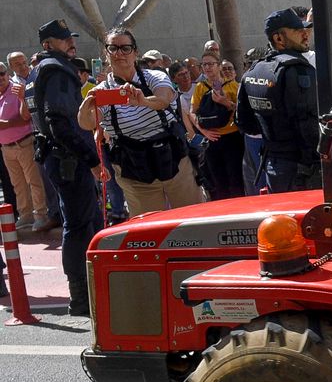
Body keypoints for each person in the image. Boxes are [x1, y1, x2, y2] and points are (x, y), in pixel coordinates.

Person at [76, 28, 201, 217]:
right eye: (113, 48)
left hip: (174, 162)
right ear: (106, 53)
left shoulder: (154, 77)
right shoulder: (102, 91)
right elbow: (87, 124)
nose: (119, 53)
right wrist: (85, 107)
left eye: (125, 48)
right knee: (149, 232)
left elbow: (163, 99)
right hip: (135, 171)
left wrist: (142, 101)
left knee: (193, 221)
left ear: (135, 52)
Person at [29, 19, 101, 316]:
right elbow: (60, 123)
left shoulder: (39, 71)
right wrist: (91, 159)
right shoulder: (57, 71)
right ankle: (82, 297)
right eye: (63, 39)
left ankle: (84, 293)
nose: (71, 43)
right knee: (79, 226)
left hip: (57, 157)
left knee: (79, 224)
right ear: (48, 44)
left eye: (70, 38)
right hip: (68, 158)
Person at [236, 9, 322, 192]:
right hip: (303, 172)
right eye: (298, 31)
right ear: (279, 38)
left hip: (273, 166)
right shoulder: (297, 69)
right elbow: (309, 127)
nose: (305, 34)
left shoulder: (254, 71)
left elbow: (245, 124)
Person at [0, 56, 51, 233]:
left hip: (24, 143)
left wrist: (5, 123)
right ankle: (26, 215)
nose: (0, 77)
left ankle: (40, 215)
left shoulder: (17, 90)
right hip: (6, 147)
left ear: (7, 73)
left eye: (2, 73)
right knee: (18, 184)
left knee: (34, 181)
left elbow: (25, 117)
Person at [192, 59, 245, 200]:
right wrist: (204, 131)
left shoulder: (234, 86)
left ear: (218, 66)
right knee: (218, 180)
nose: (207, 67)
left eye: (211, 64)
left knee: (236, 179)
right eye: (204, 64)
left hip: (232, 138)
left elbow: (242, 110)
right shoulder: (200, 87)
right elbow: (193, 112)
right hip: (212, 139)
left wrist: (225, 103)